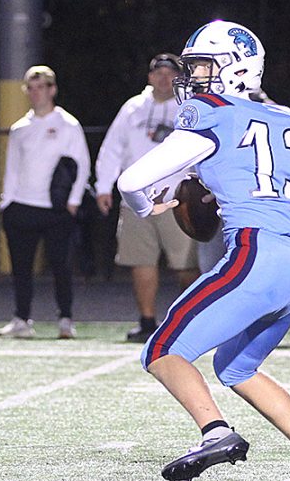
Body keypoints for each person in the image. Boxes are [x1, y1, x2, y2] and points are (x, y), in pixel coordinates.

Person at [117, 20, 290, 481]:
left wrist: (147, 207)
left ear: (236, 69)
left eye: (203, 65)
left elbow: (131, 182)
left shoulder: (211, 112)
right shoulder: (284, 118)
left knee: (162, 351)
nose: (194, 77)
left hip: (256, 253)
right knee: (235, 367)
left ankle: (215, 432)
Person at [95, 53, 224, 343]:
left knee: (187, 264)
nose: (164, 78)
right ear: (150, 76)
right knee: (141, 261)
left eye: (171, 73)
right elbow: (112, 148)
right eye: (159, 73)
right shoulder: (133, 108)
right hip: (137, 198)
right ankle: (147, 321)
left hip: (178, 196)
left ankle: (192, 320)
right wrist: (104, 186)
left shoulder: (189, 107)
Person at [0, 65, 91, 340]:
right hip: (22, 207)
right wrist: (7, 202)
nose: (37, 93)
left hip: (56, 209)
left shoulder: (68, 124)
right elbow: (12, 168)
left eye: (42, 87)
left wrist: (73, 200)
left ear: (53, 90)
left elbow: (82, 164)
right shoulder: (20, 128)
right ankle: (21, 318)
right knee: (21, 268)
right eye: (32, 88)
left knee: (61, 266)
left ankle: (65, 319)